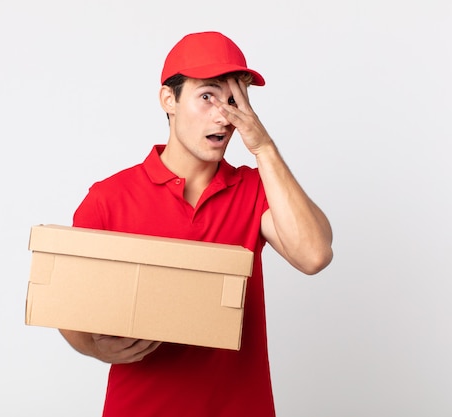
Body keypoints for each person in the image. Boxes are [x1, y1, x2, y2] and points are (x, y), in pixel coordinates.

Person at [59, 31, 333, 416]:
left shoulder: (254, 190)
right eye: (208, 96)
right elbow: (68, 301)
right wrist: (92, 346)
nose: (224, 115)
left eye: (234, 100)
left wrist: (264, 147)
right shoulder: (110, 197)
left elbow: (314, 254)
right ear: (168, 100)